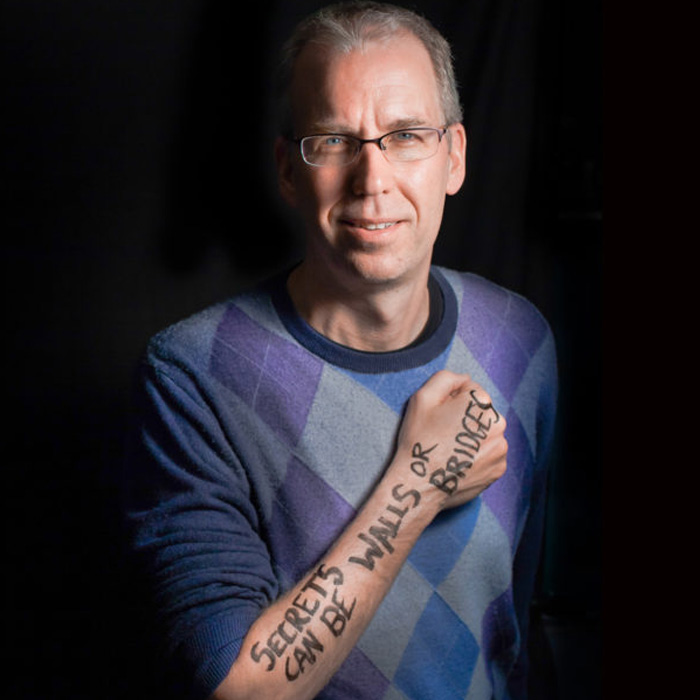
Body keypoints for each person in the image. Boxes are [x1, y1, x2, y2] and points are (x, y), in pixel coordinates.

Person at [123, 2, 558, 699]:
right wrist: (416, 484)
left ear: (455, 157)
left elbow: (513, 626)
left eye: (407, 135)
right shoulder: (194, 376)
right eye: (332, 140)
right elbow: (238, 690)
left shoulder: (519, 337)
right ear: (288, 170)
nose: (372, 179)